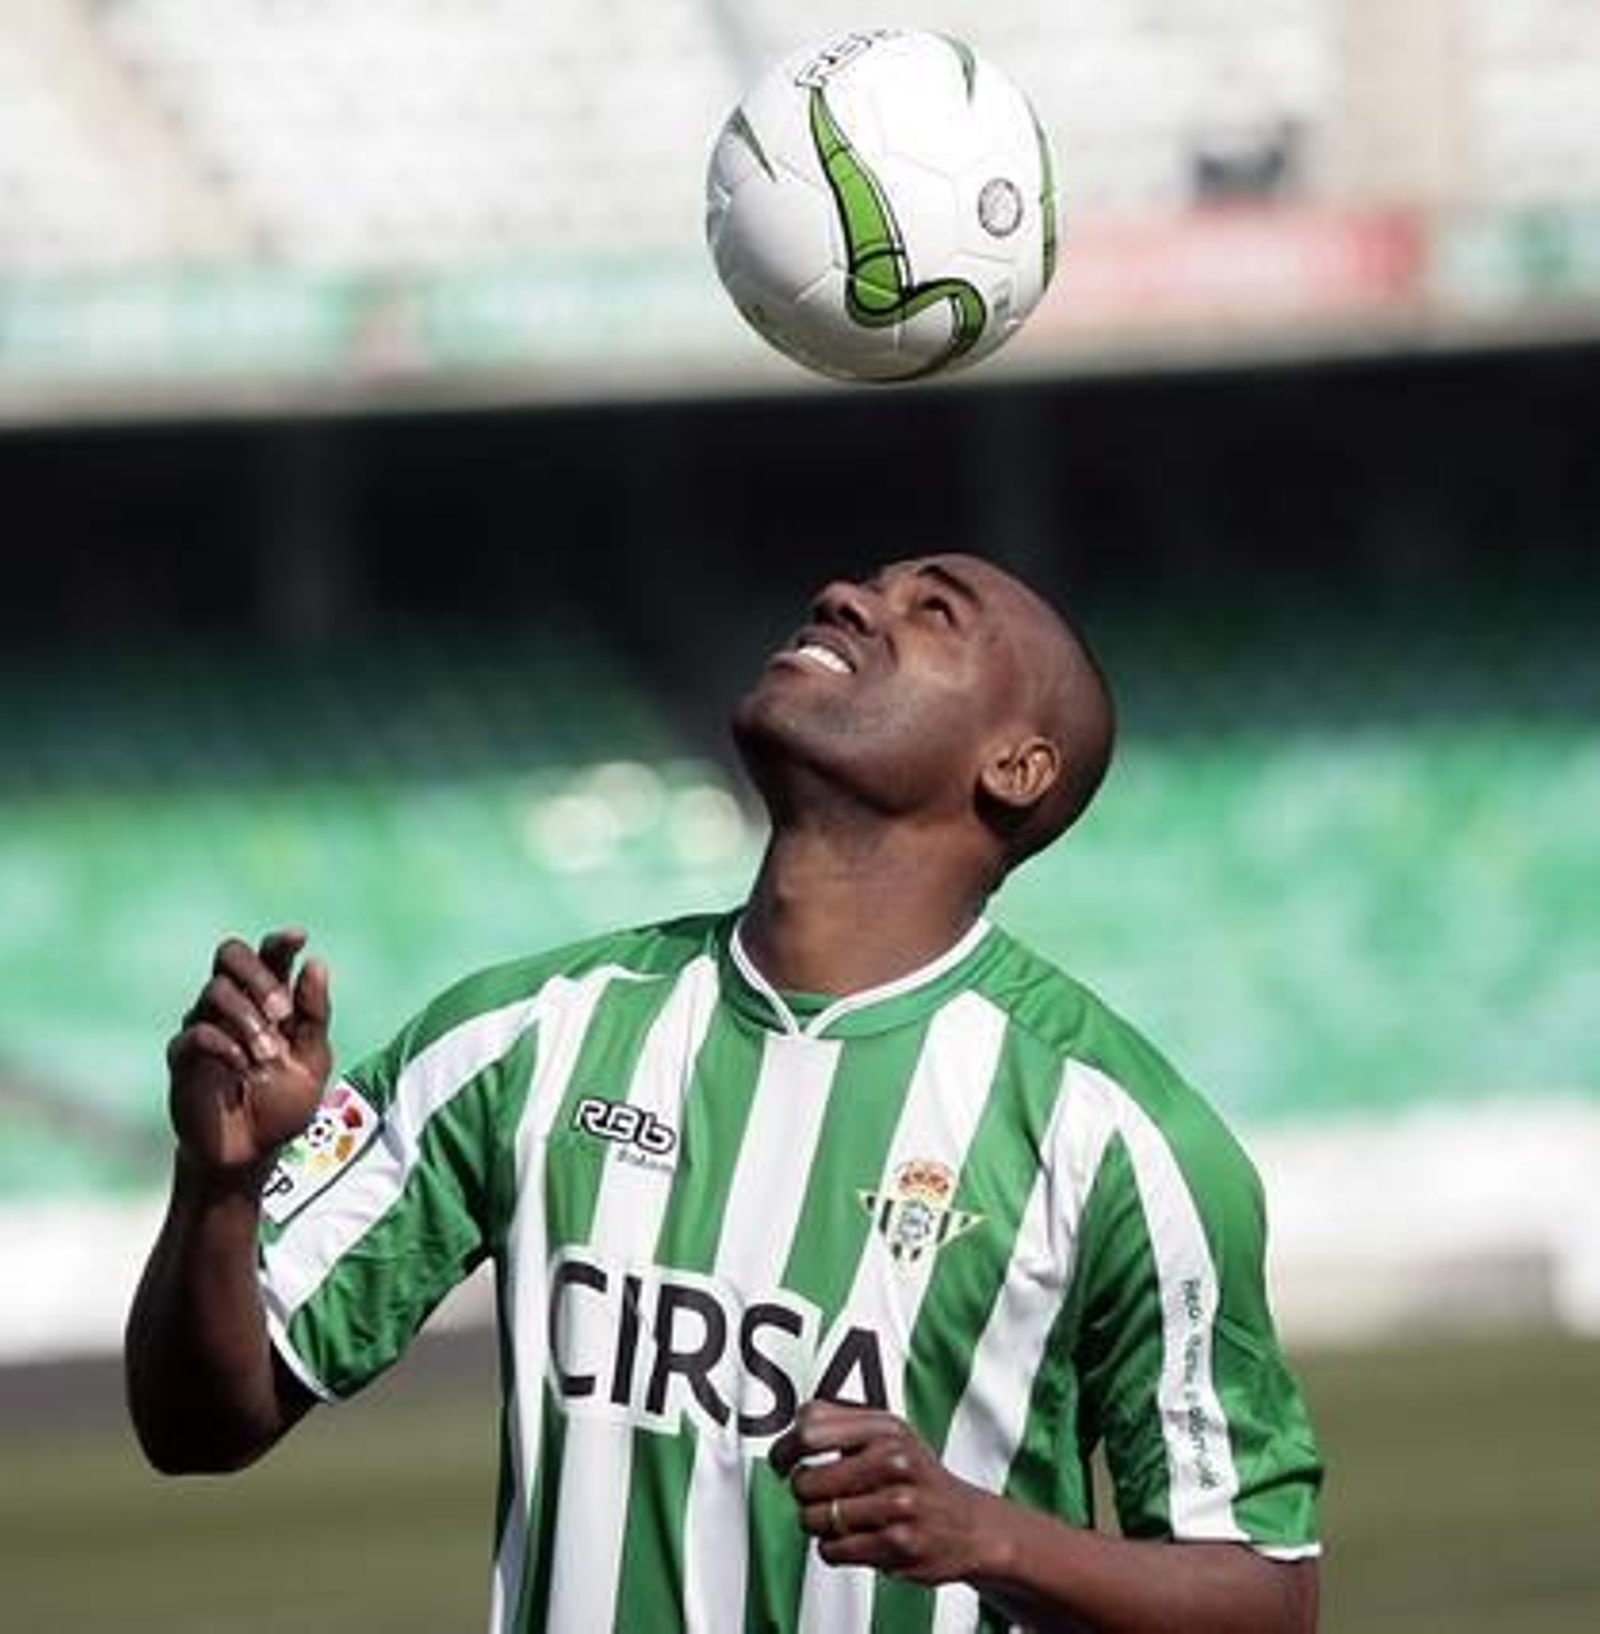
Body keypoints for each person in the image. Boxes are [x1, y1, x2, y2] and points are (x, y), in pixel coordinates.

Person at [127, 554, 1322, 1633]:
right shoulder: (525, 1035)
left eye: (932, 610)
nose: (847, 597)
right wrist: (220, 1186)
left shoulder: (1116, 1136)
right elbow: (199, 1424)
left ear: (1014, 765)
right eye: (860, 585)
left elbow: (1266, 1594)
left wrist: (988, 1532)